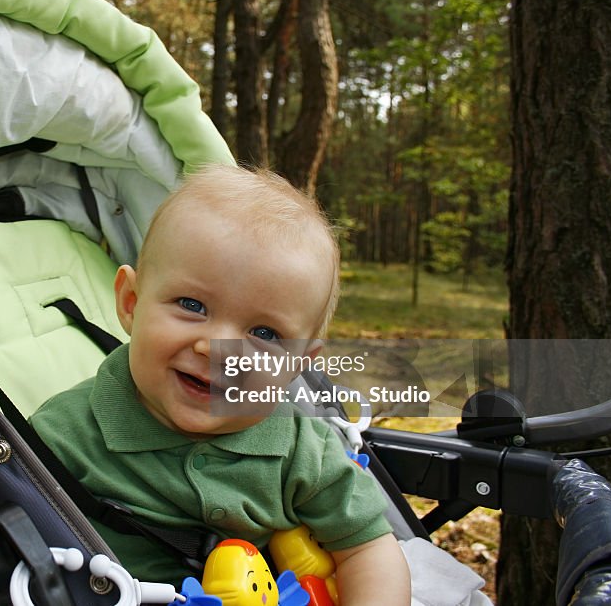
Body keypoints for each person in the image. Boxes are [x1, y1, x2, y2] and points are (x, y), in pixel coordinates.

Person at [30, 164, 410, 604]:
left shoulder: (304, 454)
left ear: (297, 366)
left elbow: (368, 547)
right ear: (131, 303)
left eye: (265, 334)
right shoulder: (63, 433)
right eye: (192, 305)